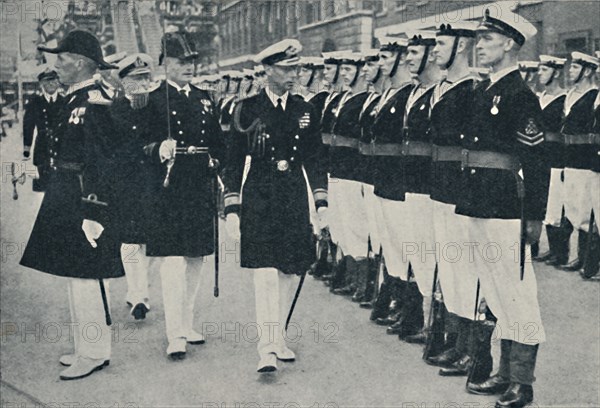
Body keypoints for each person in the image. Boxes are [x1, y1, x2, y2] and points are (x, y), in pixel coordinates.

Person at [20, 29, 124, 380]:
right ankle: (85, 346)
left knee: (87, 277)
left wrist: (94, 210)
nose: (57, 66)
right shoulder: (74, 97)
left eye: (62, 60)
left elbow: (104, 160)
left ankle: (94, 351)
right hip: (67, 193)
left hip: (84, 197)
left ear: (80, 63)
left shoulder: (95, 101)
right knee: (72, 273)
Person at [223, 39, 328, 373]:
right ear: (267, 70)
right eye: (285, 68)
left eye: (295, 68)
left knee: (287, 270)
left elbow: (314, 158)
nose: (292, 74)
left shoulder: (305, 109)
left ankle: (279, 337)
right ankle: (265, 347)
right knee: (265, 272)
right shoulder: (247, 108)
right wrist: (232, 208)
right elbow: (233, 161)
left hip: (293, 195)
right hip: (261, 195)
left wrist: (321, 203)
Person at [463, 6, 549, 408]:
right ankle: (502, 372)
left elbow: (536, 162)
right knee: (495, 291)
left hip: (506, 206)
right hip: (480, 203)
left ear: (511, 45)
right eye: (480, 39)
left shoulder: (520, 95)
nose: (480, 46)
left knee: (518, 292)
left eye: (489, 40)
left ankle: (522, 382)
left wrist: (534, 216)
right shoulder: (485, 90)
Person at [144, 30, 226, 360]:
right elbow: (138, 147)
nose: (190, 67)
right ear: (166, 64)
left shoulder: (205, 98)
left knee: (195, 259)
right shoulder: (151, 100)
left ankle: (187, 321)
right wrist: (157, 149)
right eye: (181, 62)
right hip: (168, 188)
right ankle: (173, 332)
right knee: (173, 263)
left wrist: (216, 162)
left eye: (193, 61)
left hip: (198, 187)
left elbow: (220, 144)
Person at [426, 22, 492, 380]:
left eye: (440, 44)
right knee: (450, 270)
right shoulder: (441, 87)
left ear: (463, 46)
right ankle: (457, 338)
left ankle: (473, 348)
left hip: (461, 191)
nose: (434, 51)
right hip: (438, 188)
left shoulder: (473, 90)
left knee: (467, 269)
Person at [110, 53, 157, 320]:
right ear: (124, 82)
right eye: (136, 79)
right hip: (124, 183)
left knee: (148, 239)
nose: (142, 84)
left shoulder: (156, 108)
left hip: (151, 182)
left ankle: (141, 291)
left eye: (145, 78)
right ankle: (136, 293)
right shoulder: (112, 109)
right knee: (129, 241)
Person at [323, 52, 371, 301]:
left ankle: (362, 280)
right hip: (336, 168)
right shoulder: (342, 98)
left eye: (350, 69)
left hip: (353, 170)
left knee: (357, 226)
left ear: (362, 71)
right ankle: (349, 273)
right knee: (340, 224)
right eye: (343, 69)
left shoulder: (364, 100)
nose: (344, 73)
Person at [559, 52, 599, 274]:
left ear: (587, 71)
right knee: (573, 207)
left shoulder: (594, 96)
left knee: (586, 210)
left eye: (575, 67)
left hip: (585, 158)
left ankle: (587, 260)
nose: (570, 71)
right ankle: (580, 257)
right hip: (569, 157)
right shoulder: (571, 94)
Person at [533, 55, 571, 267]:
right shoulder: (540, 97)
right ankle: (547, 248)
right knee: (543, 201)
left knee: (556, 204)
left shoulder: (564, 99)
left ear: (555, 73)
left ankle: (560, 252)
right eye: (539, 70)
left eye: (545, 70)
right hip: (540, 156)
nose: (540, 74)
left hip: (556, 156)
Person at [22, 68, 64, 191]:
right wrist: (26, 148)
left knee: (60, 184)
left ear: (58, 82)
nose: (51, 84)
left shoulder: (65, 101)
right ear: (41, 84)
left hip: (61, 147)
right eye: (47, 81)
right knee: (43, 184)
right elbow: (28, 125)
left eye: (53, 80)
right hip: (42, 147)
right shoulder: (35, 102)